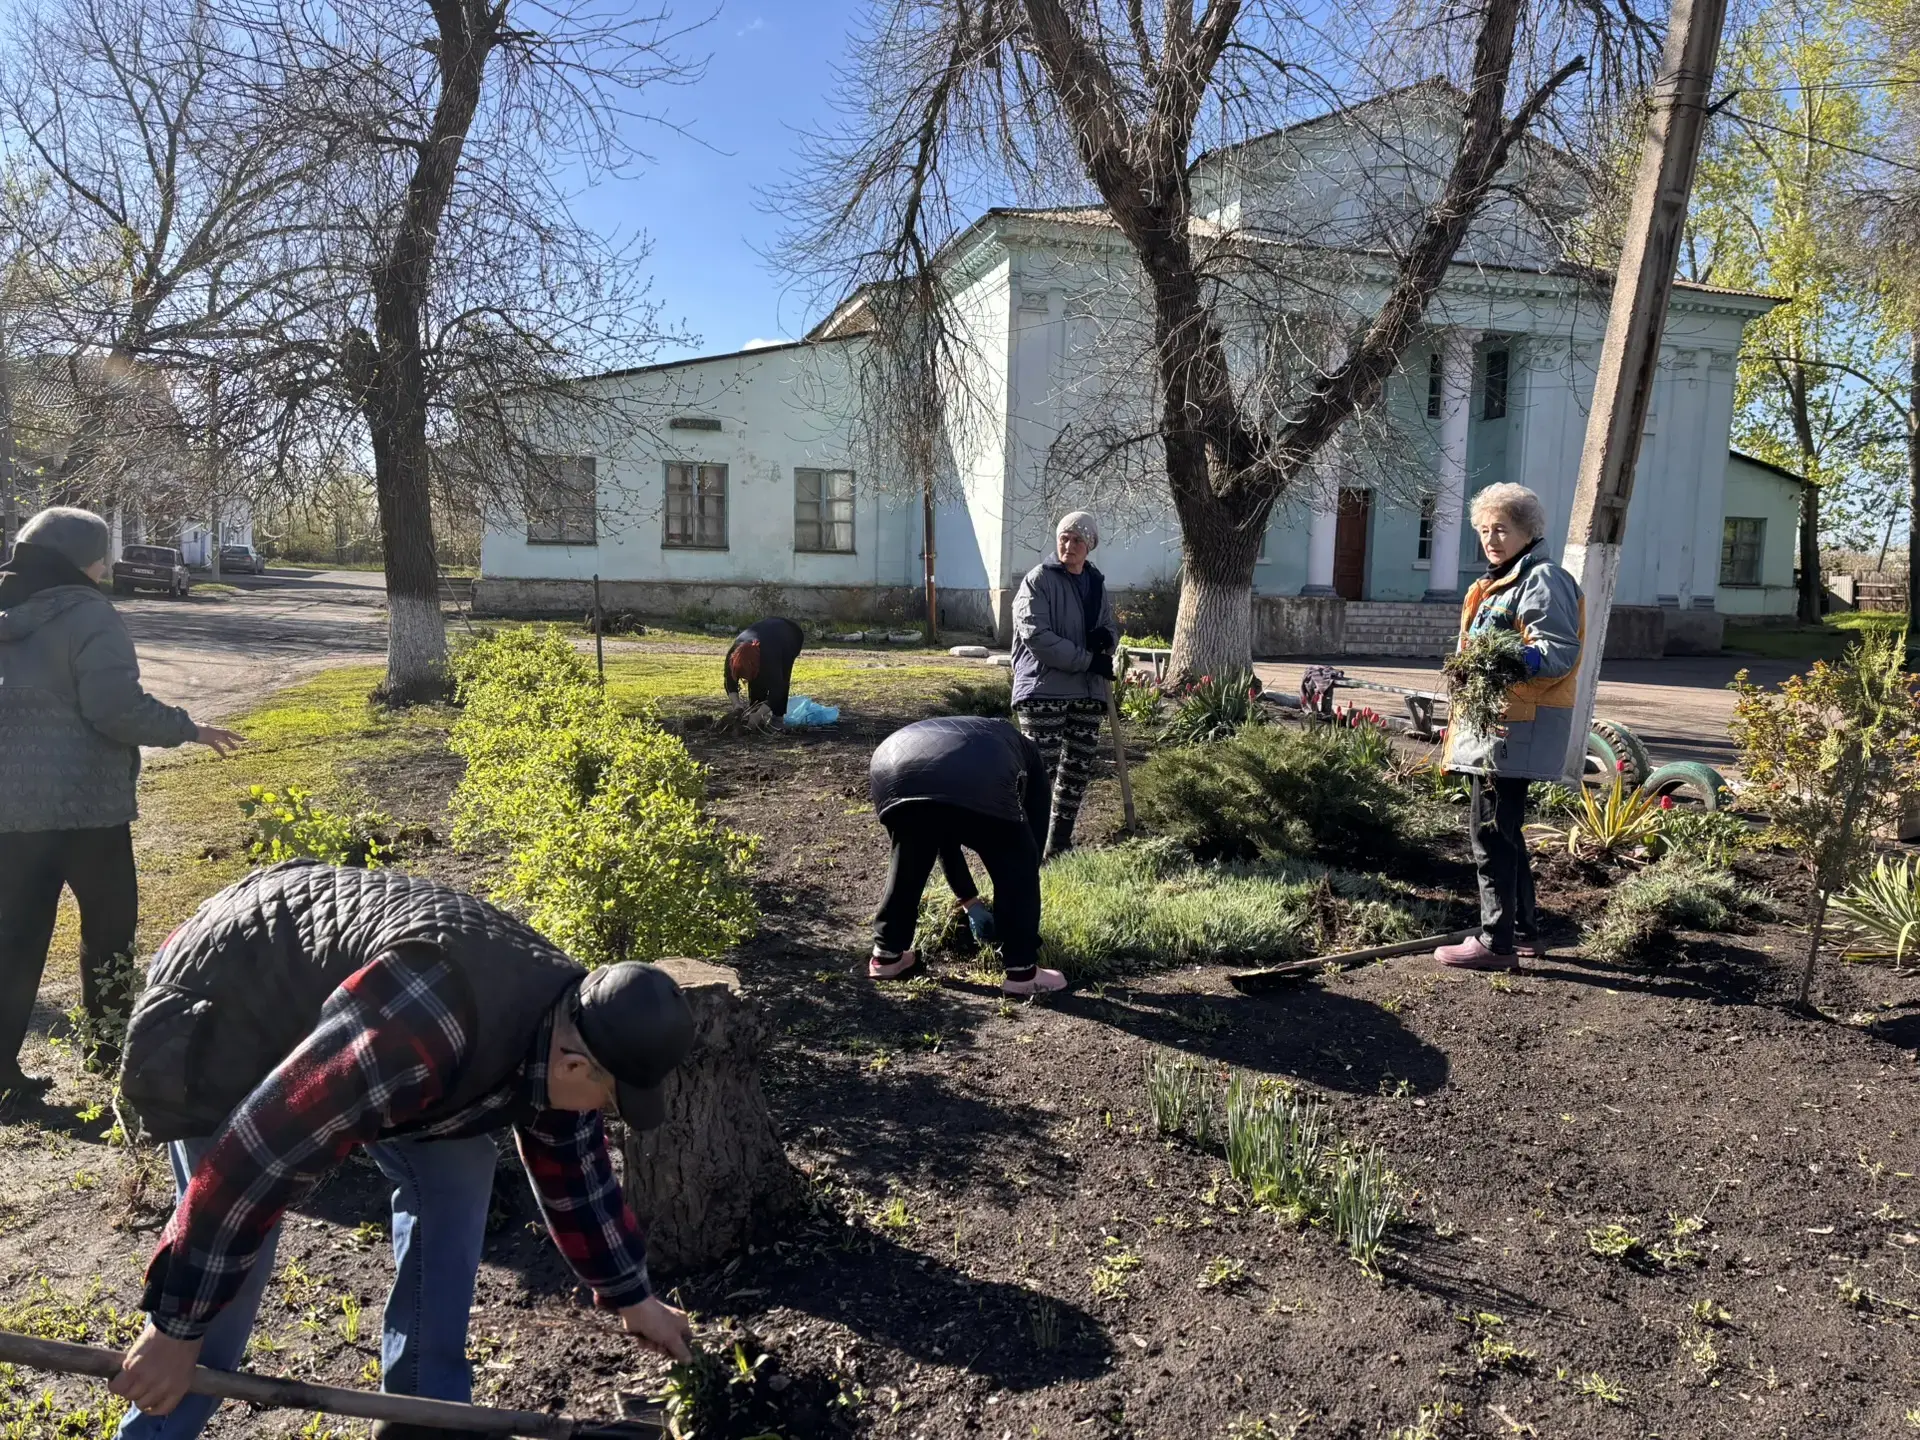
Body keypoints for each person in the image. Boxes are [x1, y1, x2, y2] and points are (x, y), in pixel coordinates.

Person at [108, 860, 700, 1440]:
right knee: (226, 1272)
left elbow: (574, 1171)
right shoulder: (421, 1024)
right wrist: (176, 1326)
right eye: (611, 1101)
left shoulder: (565, 1021)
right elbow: (254, 1163)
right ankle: (156, 1425)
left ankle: (425, 1416)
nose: (603, 1115)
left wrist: (631, 1296)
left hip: (348, 1013)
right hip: (224, 997)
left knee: (458, 1173)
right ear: (574, 1065)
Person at [0, 507, 243, 1099]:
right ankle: (110, 1053)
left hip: (10, 809)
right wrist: (189, 728)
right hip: (86, 808)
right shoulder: (89, 613)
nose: (107, 568)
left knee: (15, 938)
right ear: (83, 559)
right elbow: (114, 709)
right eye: (101, 556)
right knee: (109, 929)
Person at [1436, 483, 1584, 972]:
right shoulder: (1500, 582)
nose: (1491, 539)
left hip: (1513, 726)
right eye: (1484, 530)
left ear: (1528, 531)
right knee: (1505, 831)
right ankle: (1521, 934)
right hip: (1497, 724)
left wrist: (1497, 661)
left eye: (1501, 529)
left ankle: (1494, 943)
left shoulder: (1541, 579)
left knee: (1491, 834)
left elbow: (1557, 653)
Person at [865, 716, 1066, 996]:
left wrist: (970, 901)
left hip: (891, 764)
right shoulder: (1028, 753)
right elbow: (1032, 839)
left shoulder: (978, 737)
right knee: (1018, 864)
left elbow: (942, 838)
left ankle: (886, 957)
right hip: (975, 775)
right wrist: (1021, 894)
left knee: (910, 856)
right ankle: (1023, 972)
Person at [1011, 511, 1119, 859]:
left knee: (1076, 772)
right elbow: (1038, 637)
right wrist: (1088, 660)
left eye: (1077, 540)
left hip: (1087, 691)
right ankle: (1024, 848)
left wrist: (1108, 640)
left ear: (1090, 545)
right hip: (1044, 690)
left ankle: (1058, 845)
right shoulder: (1038, 580)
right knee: (1039, 774)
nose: (1068, 545)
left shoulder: (1095, 583)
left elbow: (1108, 625)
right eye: (1064, 538)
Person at [723, 616, 805, 725]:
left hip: (790, 634)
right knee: (756, 682)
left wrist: (759, 715)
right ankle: (755, 711)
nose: (745, 680)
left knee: (781, 677)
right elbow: (729, 680)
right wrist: (736, 705)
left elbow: (778, 689)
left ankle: (777, 718)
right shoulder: (733, 655)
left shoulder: (769, 658)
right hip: (767, 632)